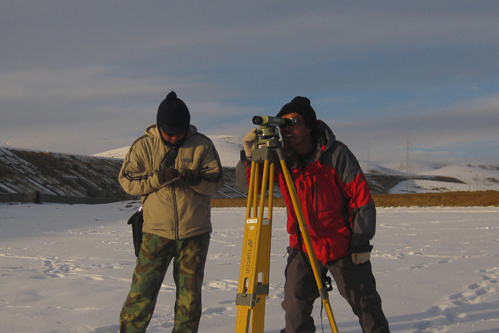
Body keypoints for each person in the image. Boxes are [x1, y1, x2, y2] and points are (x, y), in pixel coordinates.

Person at [236, 96, 390, 333]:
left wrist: (360, 242)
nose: (287, 130)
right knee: (294, 309)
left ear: (309, 125)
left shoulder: (336, 153)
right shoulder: (281, 156)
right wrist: (249, 157)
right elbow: (252, 189)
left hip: (343, 243)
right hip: (303, 245)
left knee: (367, 306)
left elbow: (361, 198)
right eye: (283, 124)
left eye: (294, 122)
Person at [118, 91, 224, 333]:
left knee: (189, 300)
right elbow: (127, 182)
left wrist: (196, 181)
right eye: (169, 133)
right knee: (141, 294)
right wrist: (158, 178)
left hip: (194, 234)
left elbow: (216, 182)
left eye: (179, 133)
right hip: (155, 233)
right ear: (159, 126)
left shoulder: (203, 145)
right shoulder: (142, 146)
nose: (174, 138)